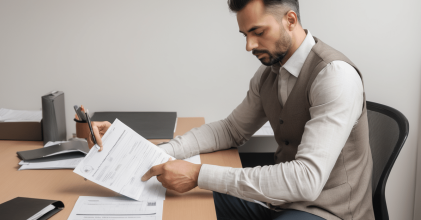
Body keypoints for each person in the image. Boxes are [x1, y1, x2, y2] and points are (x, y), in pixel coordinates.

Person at [89, 0, 374, 219]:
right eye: (244, 35)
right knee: (169, 200)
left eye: (258, 32)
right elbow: (231, 130)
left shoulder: (335, 76)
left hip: (327, 212)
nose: (249, 45)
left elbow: (307, 180)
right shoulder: (269, 74)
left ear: (290, 20)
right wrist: (150, 150)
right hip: (279, 201)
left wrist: (198, 175)